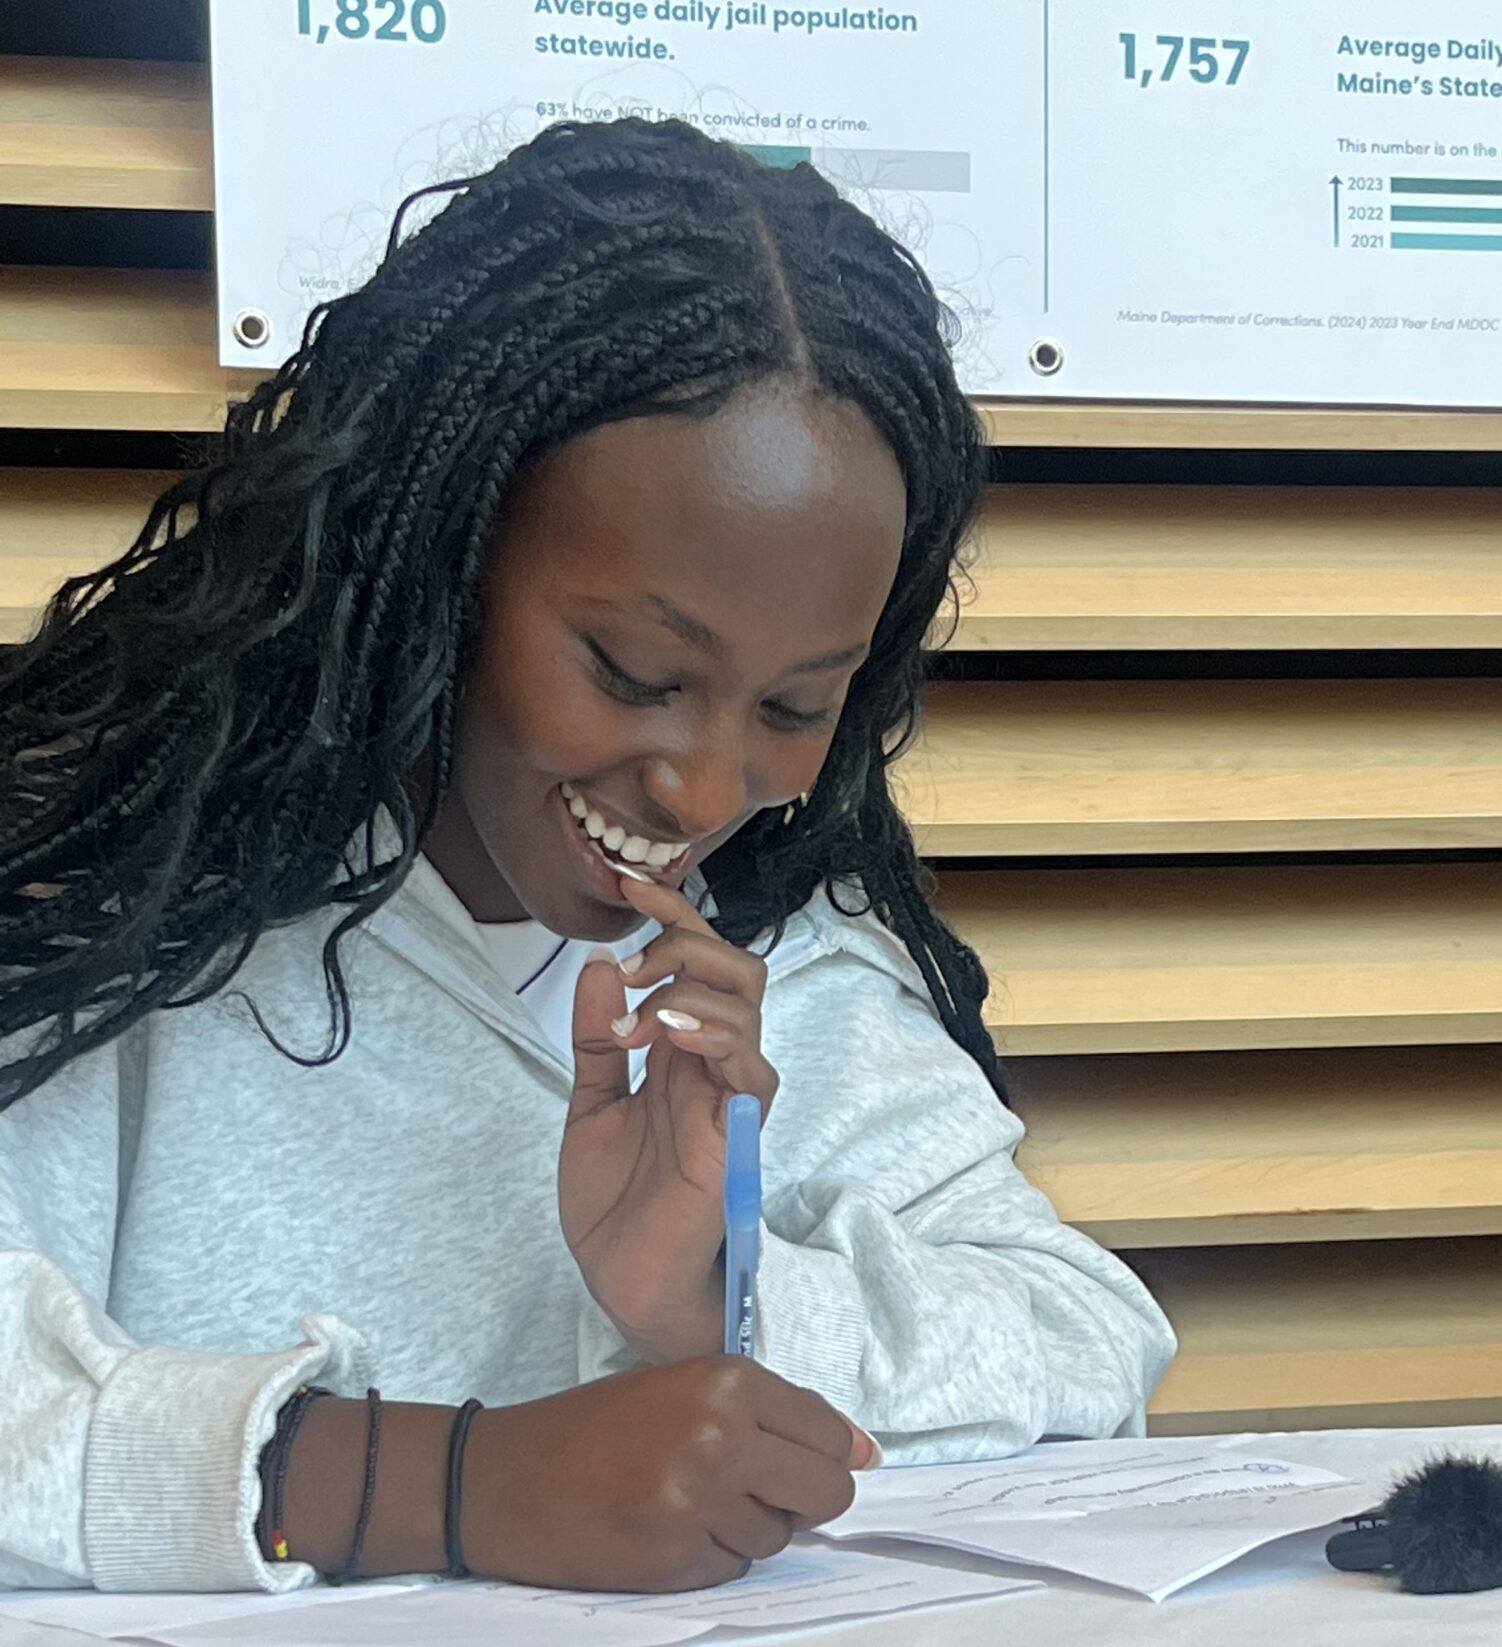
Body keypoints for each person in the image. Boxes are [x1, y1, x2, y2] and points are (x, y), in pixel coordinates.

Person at [0, 117, 1174, 1597]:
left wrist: (711, 1296)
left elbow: (1088, 1353)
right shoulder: (114, 929)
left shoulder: (786, 971)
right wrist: (441, 1484)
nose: (697, 784)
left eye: (797, 706)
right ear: (436, 565)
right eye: (629, 669)